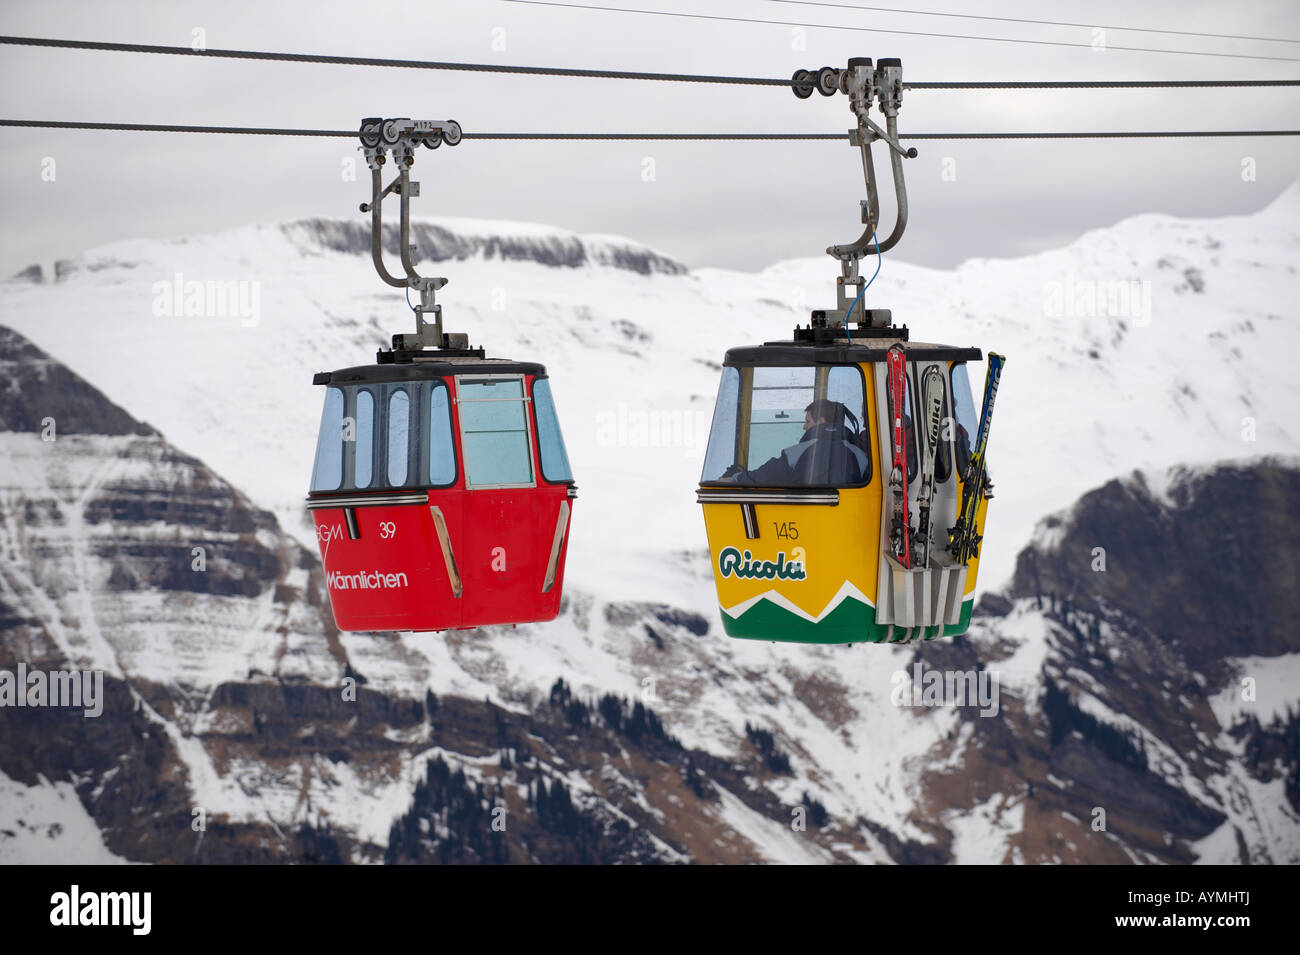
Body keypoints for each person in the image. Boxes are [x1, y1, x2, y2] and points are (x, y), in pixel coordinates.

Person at [724, 398, 867, 486]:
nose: (804, 427)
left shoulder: (798, 452)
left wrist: (734, 478)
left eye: (808, 421)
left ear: (821, 421)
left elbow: (765, 476)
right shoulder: (861, 455)